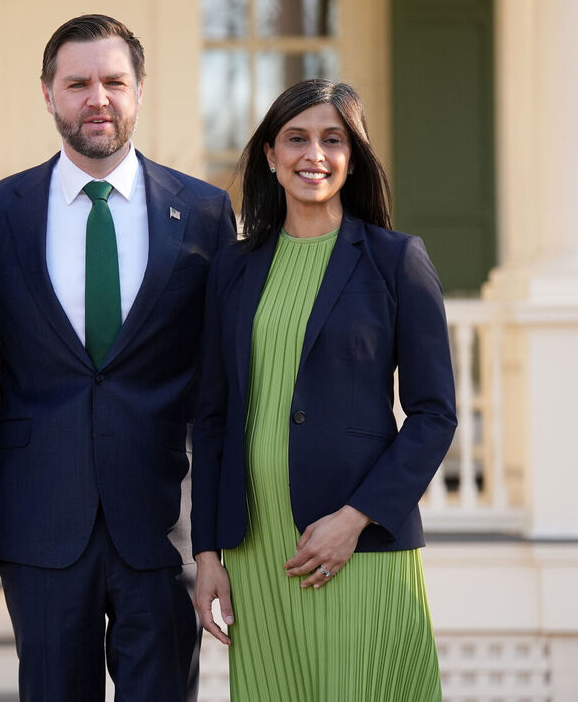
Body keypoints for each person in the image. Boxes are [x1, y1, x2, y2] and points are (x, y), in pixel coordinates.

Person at [0, 14, 236, 701]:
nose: (98, 98)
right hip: (40, 523)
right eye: (78, 83)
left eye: (114, 81)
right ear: (48, 93)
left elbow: (221, 393)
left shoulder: (206, 213)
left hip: (162, 523)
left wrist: (215, 534)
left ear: (140, 90)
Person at [192, 79, 456, 700]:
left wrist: (355, 519)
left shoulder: (396, 260)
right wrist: (207, 554)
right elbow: (212, 418)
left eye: (333, 140)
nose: (314, 154)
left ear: (353, 155)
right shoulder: (234, 266)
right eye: (297, 139)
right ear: (270, 156)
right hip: (256, 551)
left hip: (356, 544)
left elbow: (434, 414)